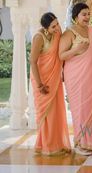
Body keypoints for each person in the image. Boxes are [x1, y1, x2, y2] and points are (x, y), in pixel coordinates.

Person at [60, 3, 92, 155]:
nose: (87, 17)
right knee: (80, 108)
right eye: (84, 14)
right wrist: (76, 49)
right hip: (75, 76)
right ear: (76, 16)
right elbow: (61, 55)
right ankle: (80, 142)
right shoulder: (69, 33)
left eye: (89, 14)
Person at [30, 12, 71, 155]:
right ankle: (46, 144)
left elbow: (61, 54)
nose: (57, 28)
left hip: (54, 79)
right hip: (42, 79)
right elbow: (32, 62)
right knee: (45, 114)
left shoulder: (57, 33)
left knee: (56, 111)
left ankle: (58, 143)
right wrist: (40, 85)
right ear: (46, 28)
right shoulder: (38, 38)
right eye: (53, 26)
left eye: (57, 24)